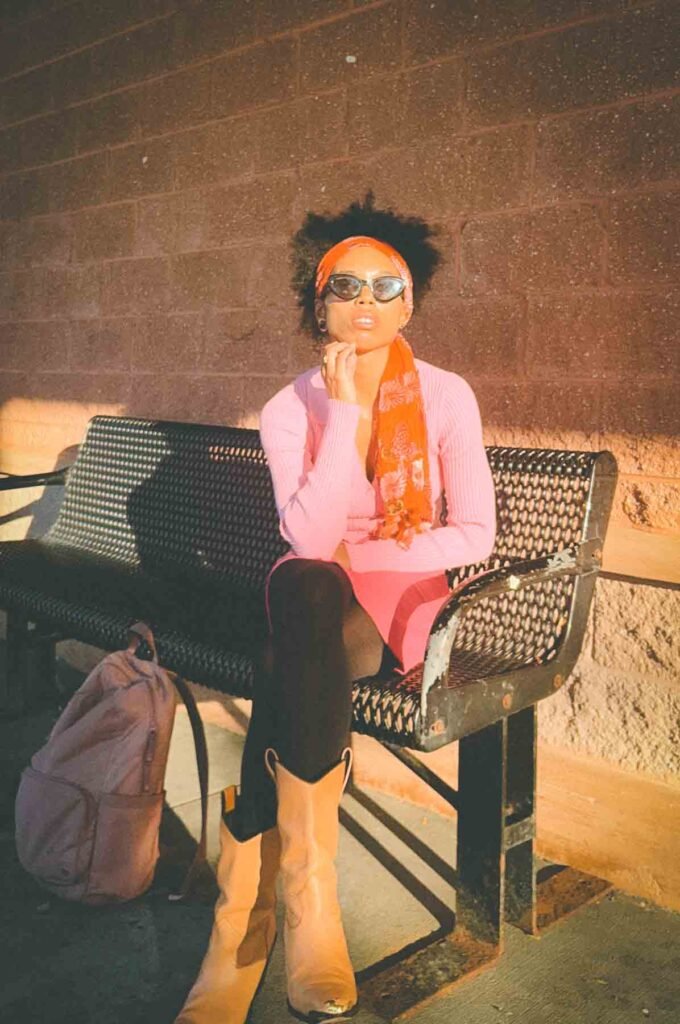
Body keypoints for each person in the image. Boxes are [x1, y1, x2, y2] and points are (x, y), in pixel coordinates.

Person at [174, 195, 497, 1024]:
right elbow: (312, 539)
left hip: (401, 598)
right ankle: (310, 907)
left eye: (387, 287)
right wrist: (346, 410)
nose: (366, 302)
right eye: (344, 286)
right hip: (319, 597)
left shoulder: (447, 395)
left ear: (410, 302)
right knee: (306, 587)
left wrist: (370, 556)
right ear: (317, 305)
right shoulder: (292, 408)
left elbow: (475, 533)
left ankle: (243, 929)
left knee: (286, 639)